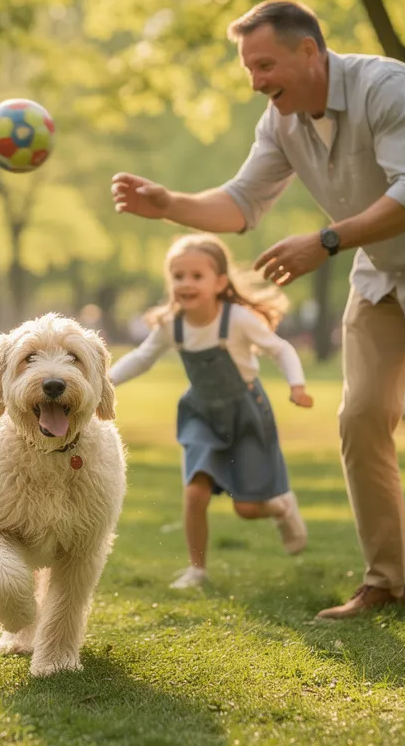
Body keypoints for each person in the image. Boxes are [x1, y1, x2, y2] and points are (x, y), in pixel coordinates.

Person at [110, 0, 405, 618]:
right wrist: (170, 204)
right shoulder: (282, 123)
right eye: (249, 69)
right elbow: (243, 203)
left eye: (265, 64)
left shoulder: (387, 89)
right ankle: (387, 583)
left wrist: (325, 241)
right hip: (383, 270)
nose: (256, 82)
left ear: (309, 51)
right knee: (360, 416)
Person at [108, 233, 313, 589]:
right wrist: (103, 383)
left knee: (247, 509)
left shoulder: (236, 319)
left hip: (246, 413)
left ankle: (282, 507)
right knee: (195, 493)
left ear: (219, 282)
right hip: (202, 415)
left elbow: (279, 349)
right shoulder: (172, 325)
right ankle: (197, 570)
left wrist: (296, 385)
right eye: (178, 276)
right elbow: (142, 358)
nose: (185, 283)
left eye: (196, 276)